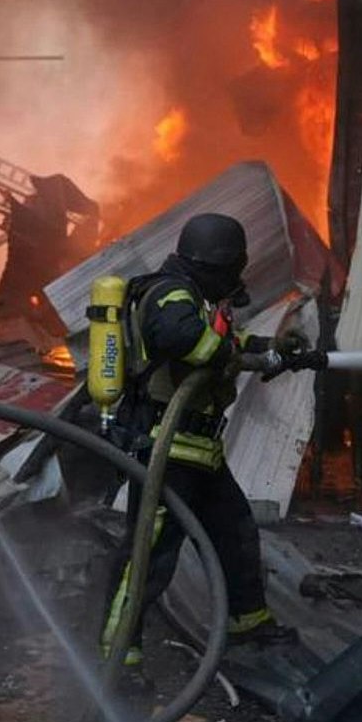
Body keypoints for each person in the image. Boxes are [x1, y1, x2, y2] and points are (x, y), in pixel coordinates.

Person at [99, 212, 325, 681]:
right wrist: (251, 357)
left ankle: (248, 622)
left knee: (236, 532)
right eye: (232, 268)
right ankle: (118, 655)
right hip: (166, 447)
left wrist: (276, 348)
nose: (235, 278)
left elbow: (223, 341)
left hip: (198, 449)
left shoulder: (197, 297)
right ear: (216, 262)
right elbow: (185, 340)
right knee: (149, 556)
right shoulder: (168, 292)